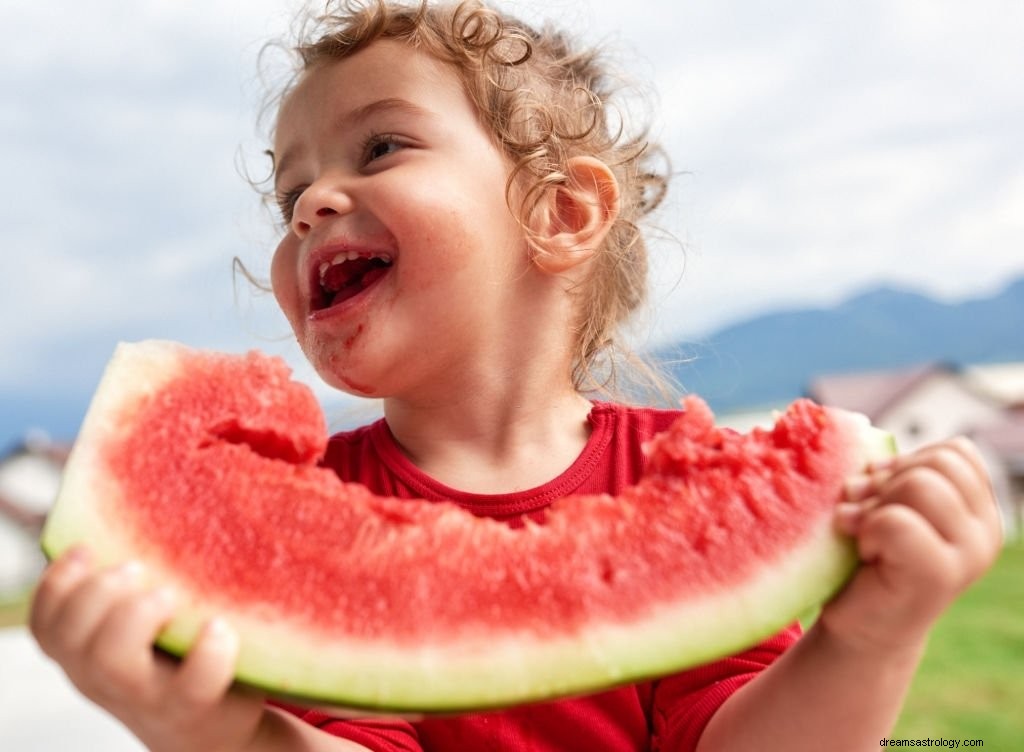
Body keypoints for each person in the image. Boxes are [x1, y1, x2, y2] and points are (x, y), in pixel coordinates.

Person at [29, 1, 1002, 750]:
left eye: (381, 146)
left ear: (564, 212)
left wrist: (868, 637)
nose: (310, 203)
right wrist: (228, 732)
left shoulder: (675, 478)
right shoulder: (302, 508)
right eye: (289, 189)